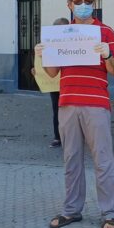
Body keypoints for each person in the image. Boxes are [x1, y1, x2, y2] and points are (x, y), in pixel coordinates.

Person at [36, 0, 114, 228]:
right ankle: (71, 210)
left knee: (102, 160)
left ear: (93, 4)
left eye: (88, 1)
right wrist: (42, 55)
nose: (83, 6)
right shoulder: (62, 34)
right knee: (71, 159)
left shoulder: (106, 32)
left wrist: (107, 55)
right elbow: (53, 72)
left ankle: (111, 213)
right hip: (68, 102)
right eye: (78, 2)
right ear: (69, 4)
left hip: (96, 103)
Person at [32, 17, 70, 147]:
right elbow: (41, 60)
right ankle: (58, 137)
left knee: (71, 110)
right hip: (55, 84)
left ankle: (71, 137)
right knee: (57, 110)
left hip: (70, 83)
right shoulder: (47, 43)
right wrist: (36, 69)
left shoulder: (74, 43)